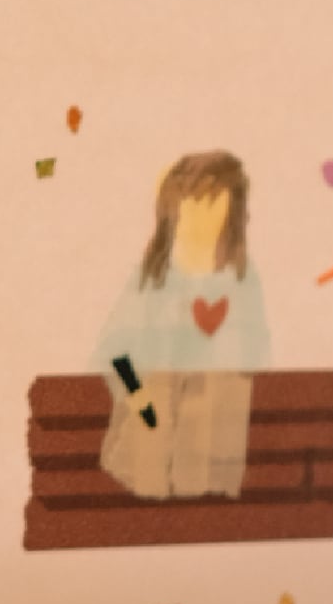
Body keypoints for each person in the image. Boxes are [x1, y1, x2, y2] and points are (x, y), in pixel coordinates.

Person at [93, 150, 269, 501]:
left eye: (214, 204)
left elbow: (254, 357)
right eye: (194, 204)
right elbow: (115, 352)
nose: (202, 217)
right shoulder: (152, 279)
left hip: (212, 449)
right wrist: (140, 399)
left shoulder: (241, 281)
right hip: (151, 447)